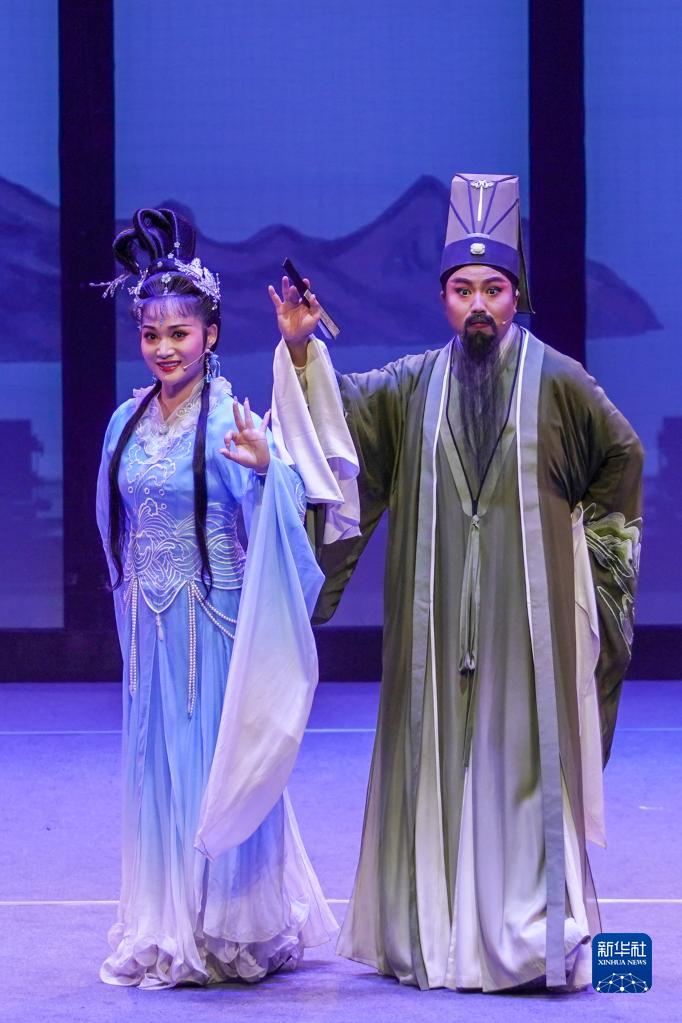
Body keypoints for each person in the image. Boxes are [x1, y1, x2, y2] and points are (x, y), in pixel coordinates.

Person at [268, 173, 644, 993]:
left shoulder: (559, 381)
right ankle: (437, 938)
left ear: (517, 296)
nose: (479, 304)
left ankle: (534, 935)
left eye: (494, 289)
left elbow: (622, 456)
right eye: (463, 288)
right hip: (434, 619)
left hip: (526, 619)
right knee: (438, 758)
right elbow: (339, 430)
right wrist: (301, 352)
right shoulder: (412, 386)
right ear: (443, 297)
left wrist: (584, 558)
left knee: (524, 768)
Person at [95, 208, 336, 989]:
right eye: (151, 334)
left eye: (180, 333)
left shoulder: (230, 417)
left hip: (213, 622)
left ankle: (229, 921)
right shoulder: (125, 421)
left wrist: (268, 469)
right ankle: (165, 918)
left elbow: (280, 514)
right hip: (150, 626)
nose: (165, 348)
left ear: (211, 334)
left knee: (213, 761)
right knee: (157, 767)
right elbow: (117, 526)